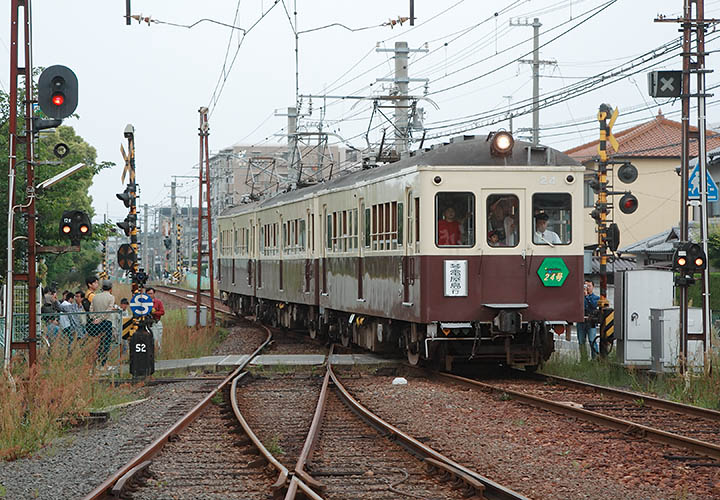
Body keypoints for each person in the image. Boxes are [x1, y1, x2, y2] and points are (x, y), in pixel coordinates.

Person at [90, 280, 116, 367]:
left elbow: (91, 309)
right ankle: (103, 363)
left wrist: (94, 318)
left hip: (95, 322)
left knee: (97, 343)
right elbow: (108, 310)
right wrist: (101, 319)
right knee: (106, 343)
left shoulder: (95, 297)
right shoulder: (111, 297)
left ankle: (95, 362)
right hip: (106, 322)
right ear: (111, 288)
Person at [577, 280, 600, 361]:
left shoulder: (596, 298)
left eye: (589, 286)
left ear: (593, 287)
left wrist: (587, 296)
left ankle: (595, 359)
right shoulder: (579, 298)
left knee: (592, 340)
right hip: (581, 322)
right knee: (581, 341)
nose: (587, 288)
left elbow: (594, 305)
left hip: (591, 323)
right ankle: (584, 359)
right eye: (585, 286)